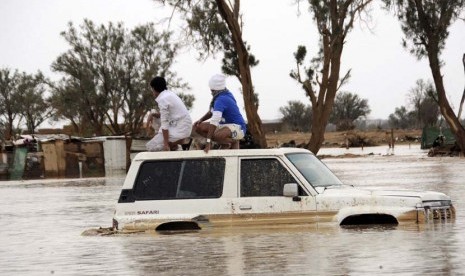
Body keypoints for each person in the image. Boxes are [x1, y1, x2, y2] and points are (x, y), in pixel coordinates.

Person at [193, 73, 247, 153]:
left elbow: (214, 120)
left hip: (238, 127)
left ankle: (232, 141)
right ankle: (224, 143)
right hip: (224, 126)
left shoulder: (221, 99)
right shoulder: (222, 94)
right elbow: (211, 112)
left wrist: (208, 141)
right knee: (198, 127)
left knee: (217, 135)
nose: (210, 91)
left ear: (214, 89)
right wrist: (200, 120)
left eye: (211, 89)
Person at [146, 76, 192, 151]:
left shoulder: (163, 99)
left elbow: (165, 124)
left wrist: (166, 144)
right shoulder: (168, 94)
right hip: (182, 125)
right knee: (154, 113)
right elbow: (165, 115)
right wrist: (152, 114)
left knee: (151, 147)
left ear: (154, 89)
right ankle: (175, 145)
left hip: (180, 128)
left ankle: (176, 146)